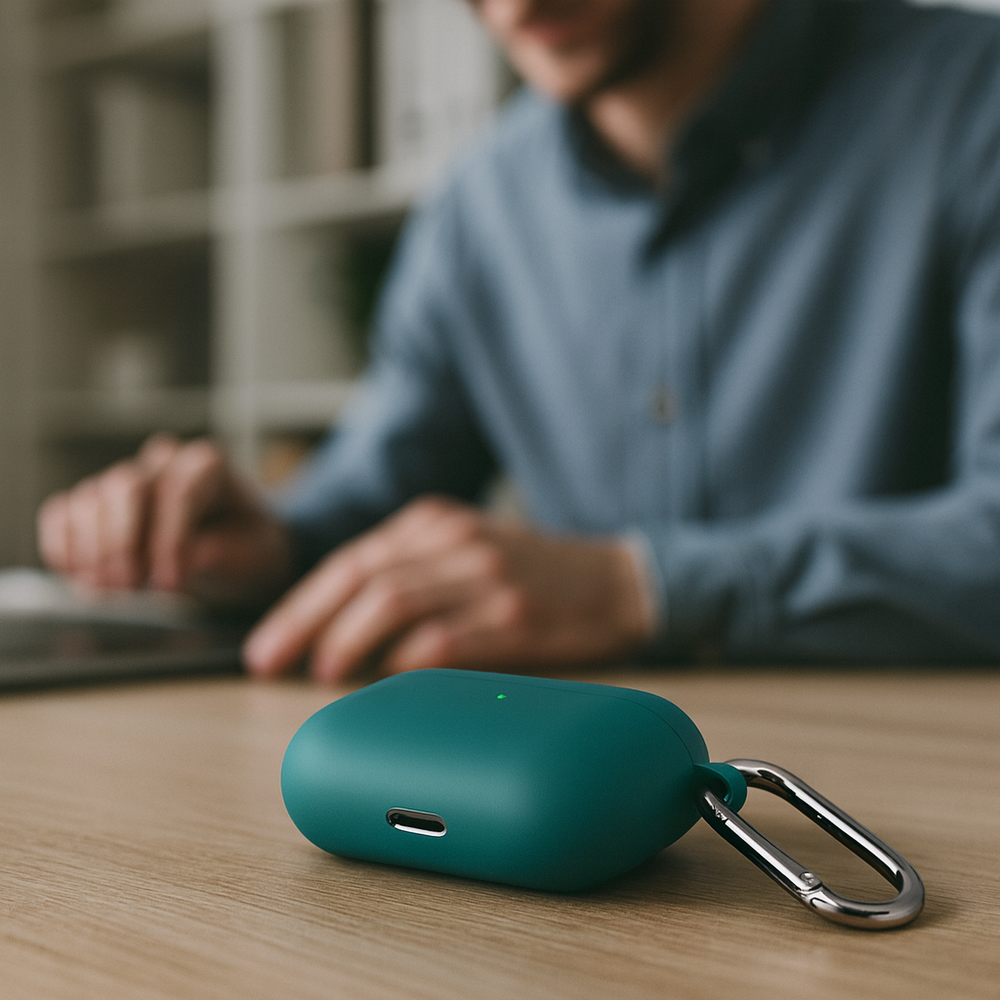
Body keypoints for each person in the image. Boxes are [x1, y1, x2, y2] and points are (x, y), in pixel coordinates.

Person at [37, 0, 1000, 680]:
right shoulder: (477, 204)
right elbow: (384, 477)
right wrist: (269, 543)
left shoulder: (973, 104)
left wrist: (637, 590)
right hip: (601, 808)